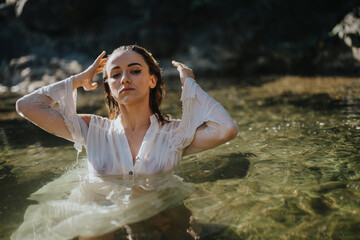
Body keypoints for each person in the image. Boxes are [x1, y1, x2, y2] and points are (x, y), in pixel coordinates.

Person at [14, 45, 238, 240]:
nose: (125, 79)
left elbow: (226, 129)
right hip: (95, 217)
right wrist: (77, 80)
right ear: (109, 89)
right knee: (96, 224)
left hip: (159, 213)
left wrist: (190, 84)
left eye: (135, 70)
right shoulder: (93, 130)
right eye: (115, 74)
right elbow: (27, 107)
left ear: (153, 80)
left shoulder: (175, 134)